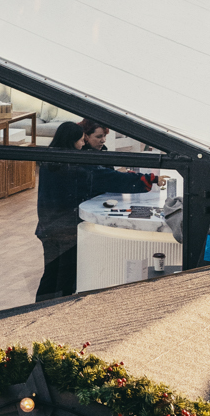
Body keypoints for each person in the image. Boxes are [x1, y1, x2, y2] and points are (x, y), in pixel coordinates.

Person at [34, 120, 154, 301]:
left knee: (51, 273)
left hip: (47, 227)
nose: (82, 145)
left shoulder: (49, 160)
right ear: (72, 141)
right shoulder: (76, 166)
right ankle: (56, 313)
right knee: (66, 277)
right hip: (67, 229)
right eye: (81, 140)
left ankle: (38, 310)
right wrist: (148, 179)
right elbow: (108, 178)